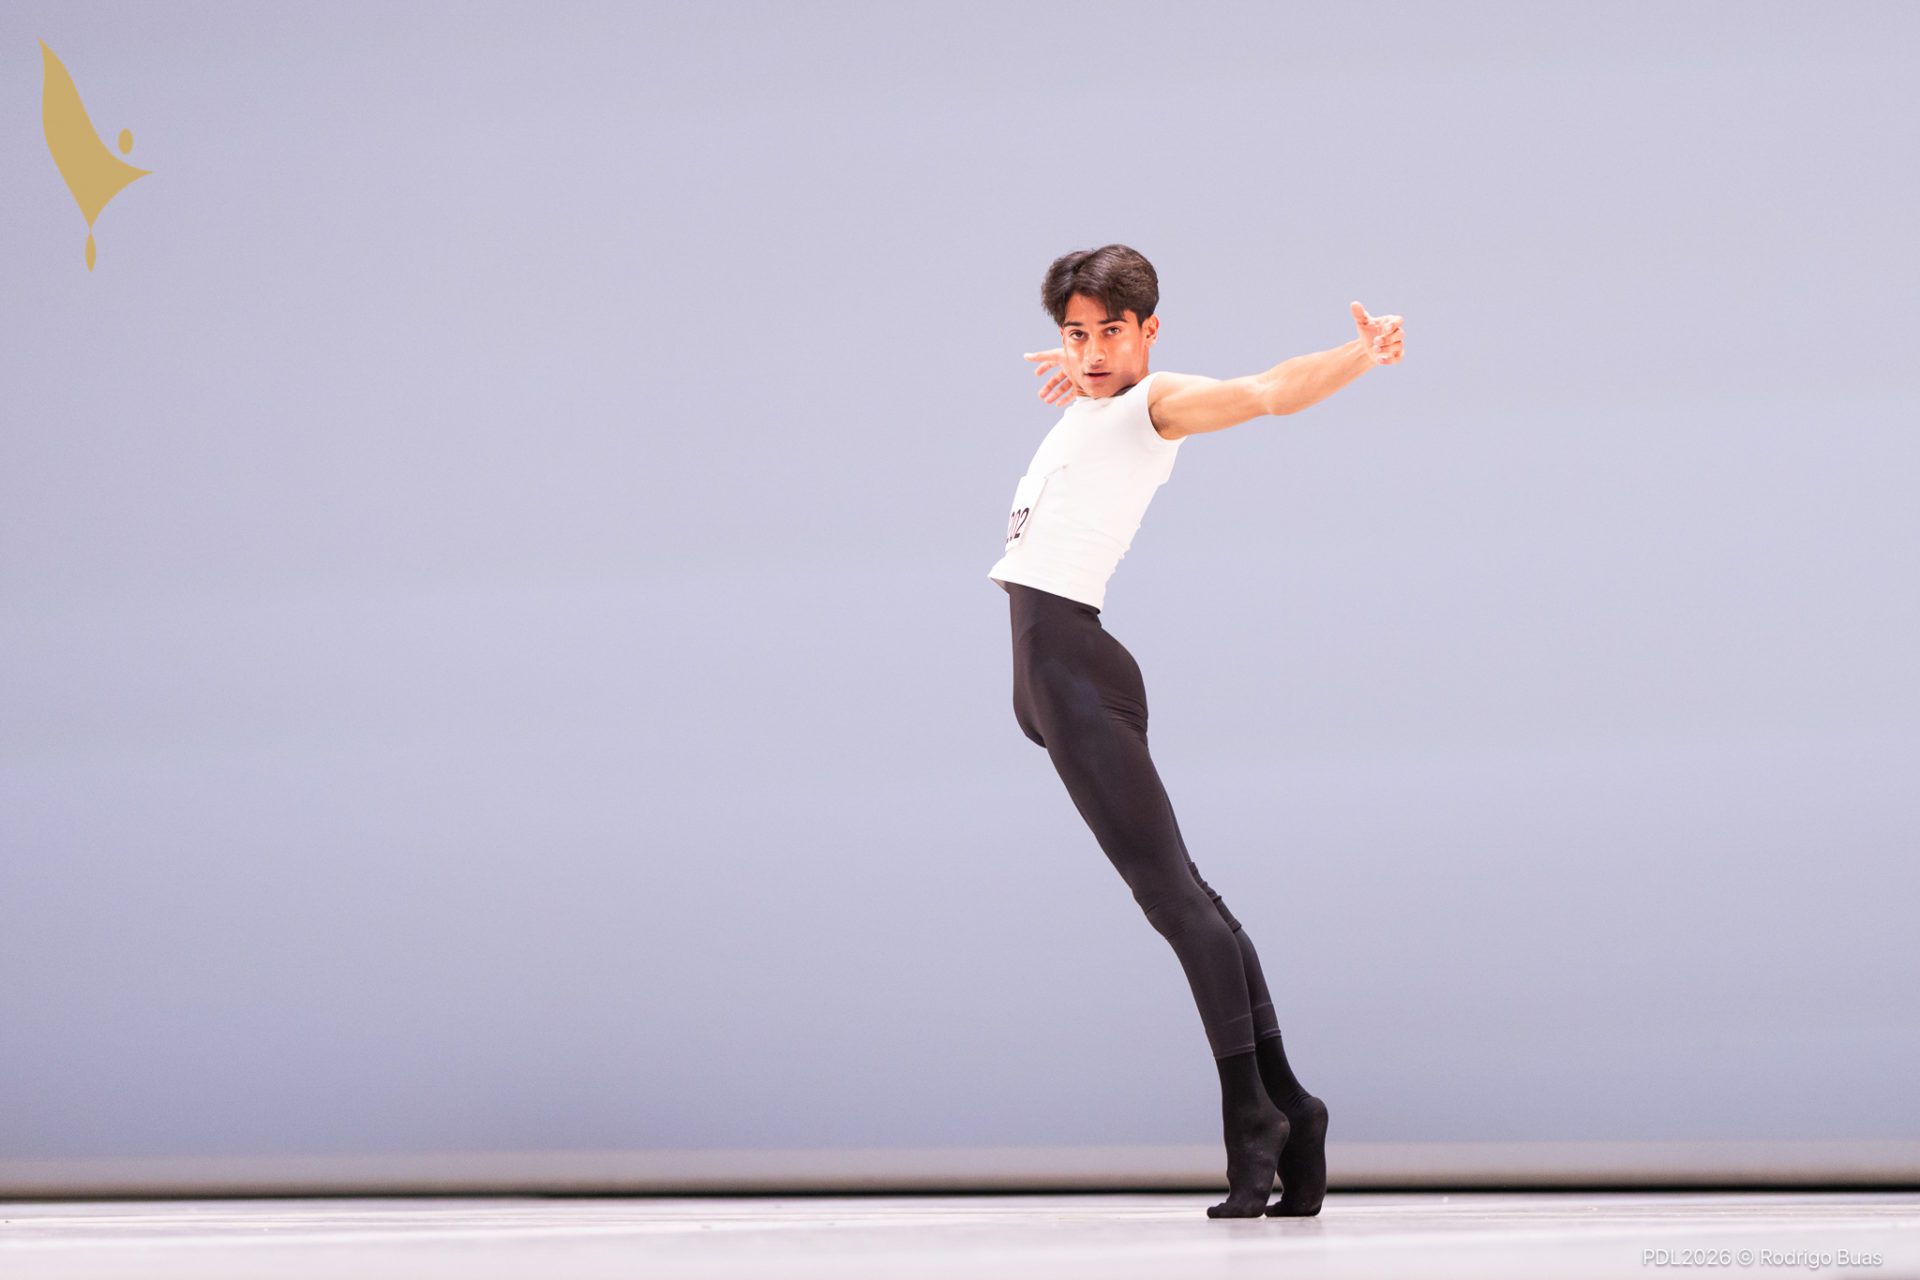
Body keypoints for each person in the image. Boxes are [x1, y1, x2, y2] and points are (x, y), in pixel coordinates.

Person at [986, 244, 1403, 1219]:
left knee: (1174, 902)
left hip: (1073, 668)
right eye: (1076, 335)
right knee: (1191, 896)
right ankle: (1292, 1105)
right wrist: (1091, 379)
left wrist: (1359, 354)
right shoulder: (1095, 404)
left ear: (1151, 332)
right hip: (1046, 674)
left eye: (1112, 332)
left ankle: (1252, 1120)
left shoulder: (1156, 402)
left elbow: (1266, 391)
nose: (1092, 352)